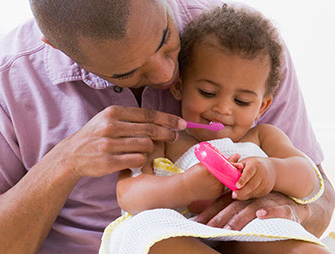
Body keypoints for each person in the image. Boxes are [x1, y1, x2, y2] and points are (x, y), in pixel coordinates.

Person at [0, 0, 333, 253]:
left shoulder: (245, 50)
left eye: (167, 41)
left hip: (243, 238)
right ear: (57, 46)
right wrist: (65, 163)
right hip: (154, 240)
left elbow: (319, 195)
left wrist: (282, 203)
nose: (169, 75)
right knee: (152, 235)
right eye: (127, 70)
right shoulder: (2, 82)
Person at [101, 5, 328, 253]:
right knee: (144, 231)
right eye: (207, 93)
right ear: (179, 87)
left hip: (247, 228)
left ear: (262, 106)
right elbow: (128, 194)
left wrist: (273, 171)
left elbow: (310, 182)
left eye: (241, 101)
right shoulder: (165, 138)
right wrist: (184, 186)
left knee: (290, 238)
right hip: (179, 229)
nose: (223, 109)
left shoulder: (264, 137)